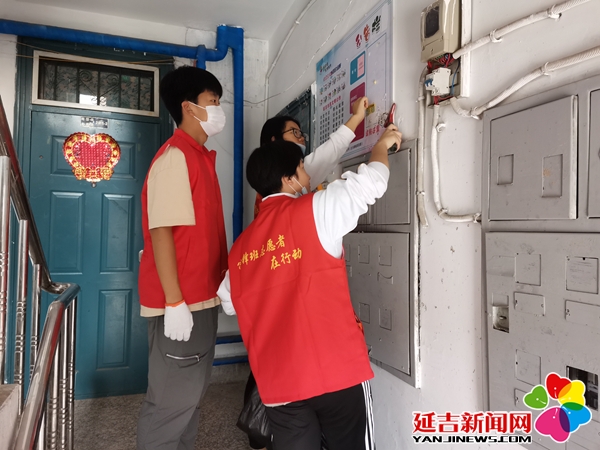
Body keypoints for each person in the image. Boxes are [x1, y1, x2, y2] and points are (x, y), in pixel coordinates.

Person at [218, 124, 402, 450]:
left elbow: (229, 302)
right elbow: (373, 180)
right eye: (302, 168)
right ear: (288, 179)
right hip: (335, 373)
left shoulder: (240, 249)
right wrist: (382, 145)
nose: (306, 176)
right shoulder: (316, 209)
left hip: (279, 387)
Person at [136, 66, 228, 450]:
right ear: (189, 107)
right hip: (183, 302)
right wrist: (174, 302)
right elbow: (161, 232)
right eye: (213, 101)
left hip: (201, 298)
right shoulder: (176, 157)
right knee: (171, 403)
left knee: (190, 399)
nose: (219, 109)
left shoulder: (201, 158)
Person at [254, 97, 368, 217]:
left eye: (301, 133)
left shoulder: (266, 184)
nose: (302, 138)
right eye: (295, 133)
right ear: (275, 141)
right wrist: (357, 116)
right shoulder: (287, 174)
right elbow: (330, 152)